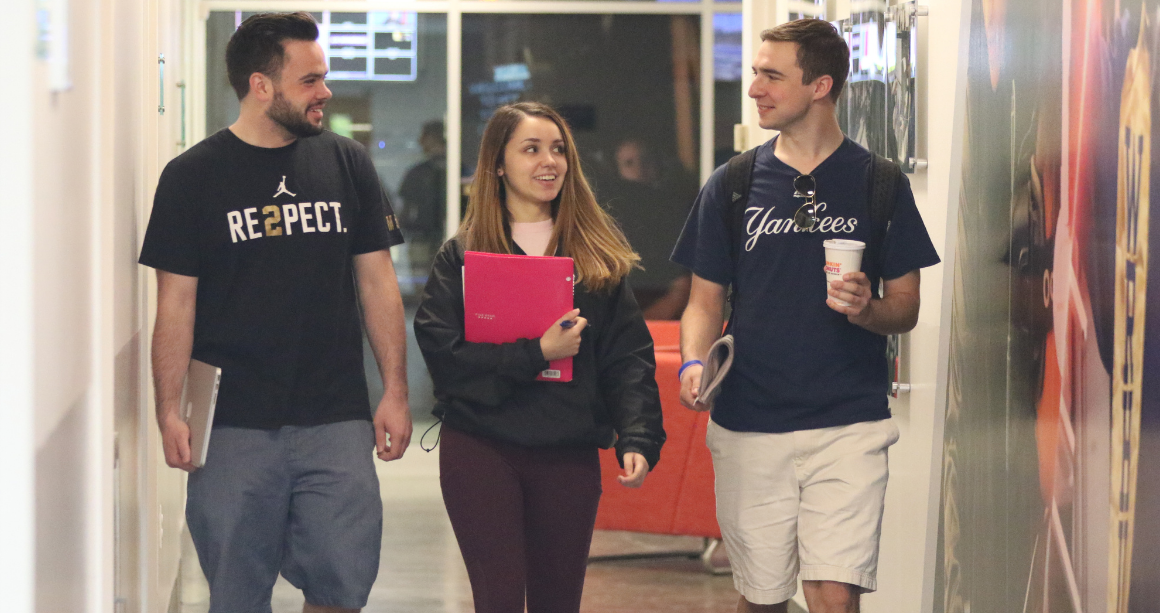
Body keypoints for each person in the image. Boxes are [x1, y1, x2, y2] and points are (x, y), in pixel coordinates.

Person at [139, 12, 412, 613]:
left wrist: (394, 390)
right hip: (232, 423)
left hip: (335, 415)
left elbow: (378, 285)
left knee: (343, 582)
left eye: (324, 78)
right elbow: (175, 302)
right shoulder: (191, 178)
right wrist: (168, 409)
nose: (326, 92)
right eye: (310, 80)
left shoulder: (348, 164)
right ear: (262, 86)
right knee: (237, 591)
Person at [671, 19, 940, 613]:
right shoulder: (733, 184)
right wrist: (694, 361)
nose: (754, 89)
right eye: (755, 73)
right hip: (749, 422)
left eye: (771, 75)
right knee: (763, 598)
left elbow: (907, 308)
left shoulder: (881, 184)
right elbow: (703, 301)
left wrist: (867, 308)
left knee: (832, 593)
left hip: (849, 422)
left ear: (820, 85)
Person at [413, 101, 666, 613]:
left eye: (557, 150)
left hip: (566, 451)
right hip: (481, 448)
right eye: (531, 149)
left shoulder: (595, 255)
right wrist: (537, 353)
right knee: (499, 601)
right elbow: (447, 359)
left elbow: (628, 357)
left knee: (558, 603)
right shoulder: (462, 256)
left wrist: (638, 434)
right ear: (498, 165)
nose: (549, 161)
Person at [398, 120, 448, 285]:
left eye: (424, 137)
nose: (420, 142)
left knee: (425, 287)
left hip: (429, 238)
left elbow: (405, 210)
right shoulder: (457, 170)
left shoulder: (418, 172)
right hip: (424, 237)